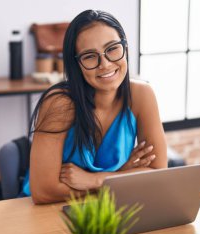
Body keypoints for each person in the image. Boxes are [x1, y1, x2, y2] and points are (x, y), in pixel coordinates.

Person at [23, 10, 167, 204]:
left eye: (113, 49)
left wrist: (97, 180)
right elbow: (43, 191)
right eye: (90, 56)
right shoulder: (60, 104)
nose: (105, 64)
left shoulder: (142, 95)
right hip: (49, 210)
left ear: (125, 47)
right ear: (76, 64)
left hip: (110, 206)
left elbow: (157, 173)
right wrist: (121, 177)